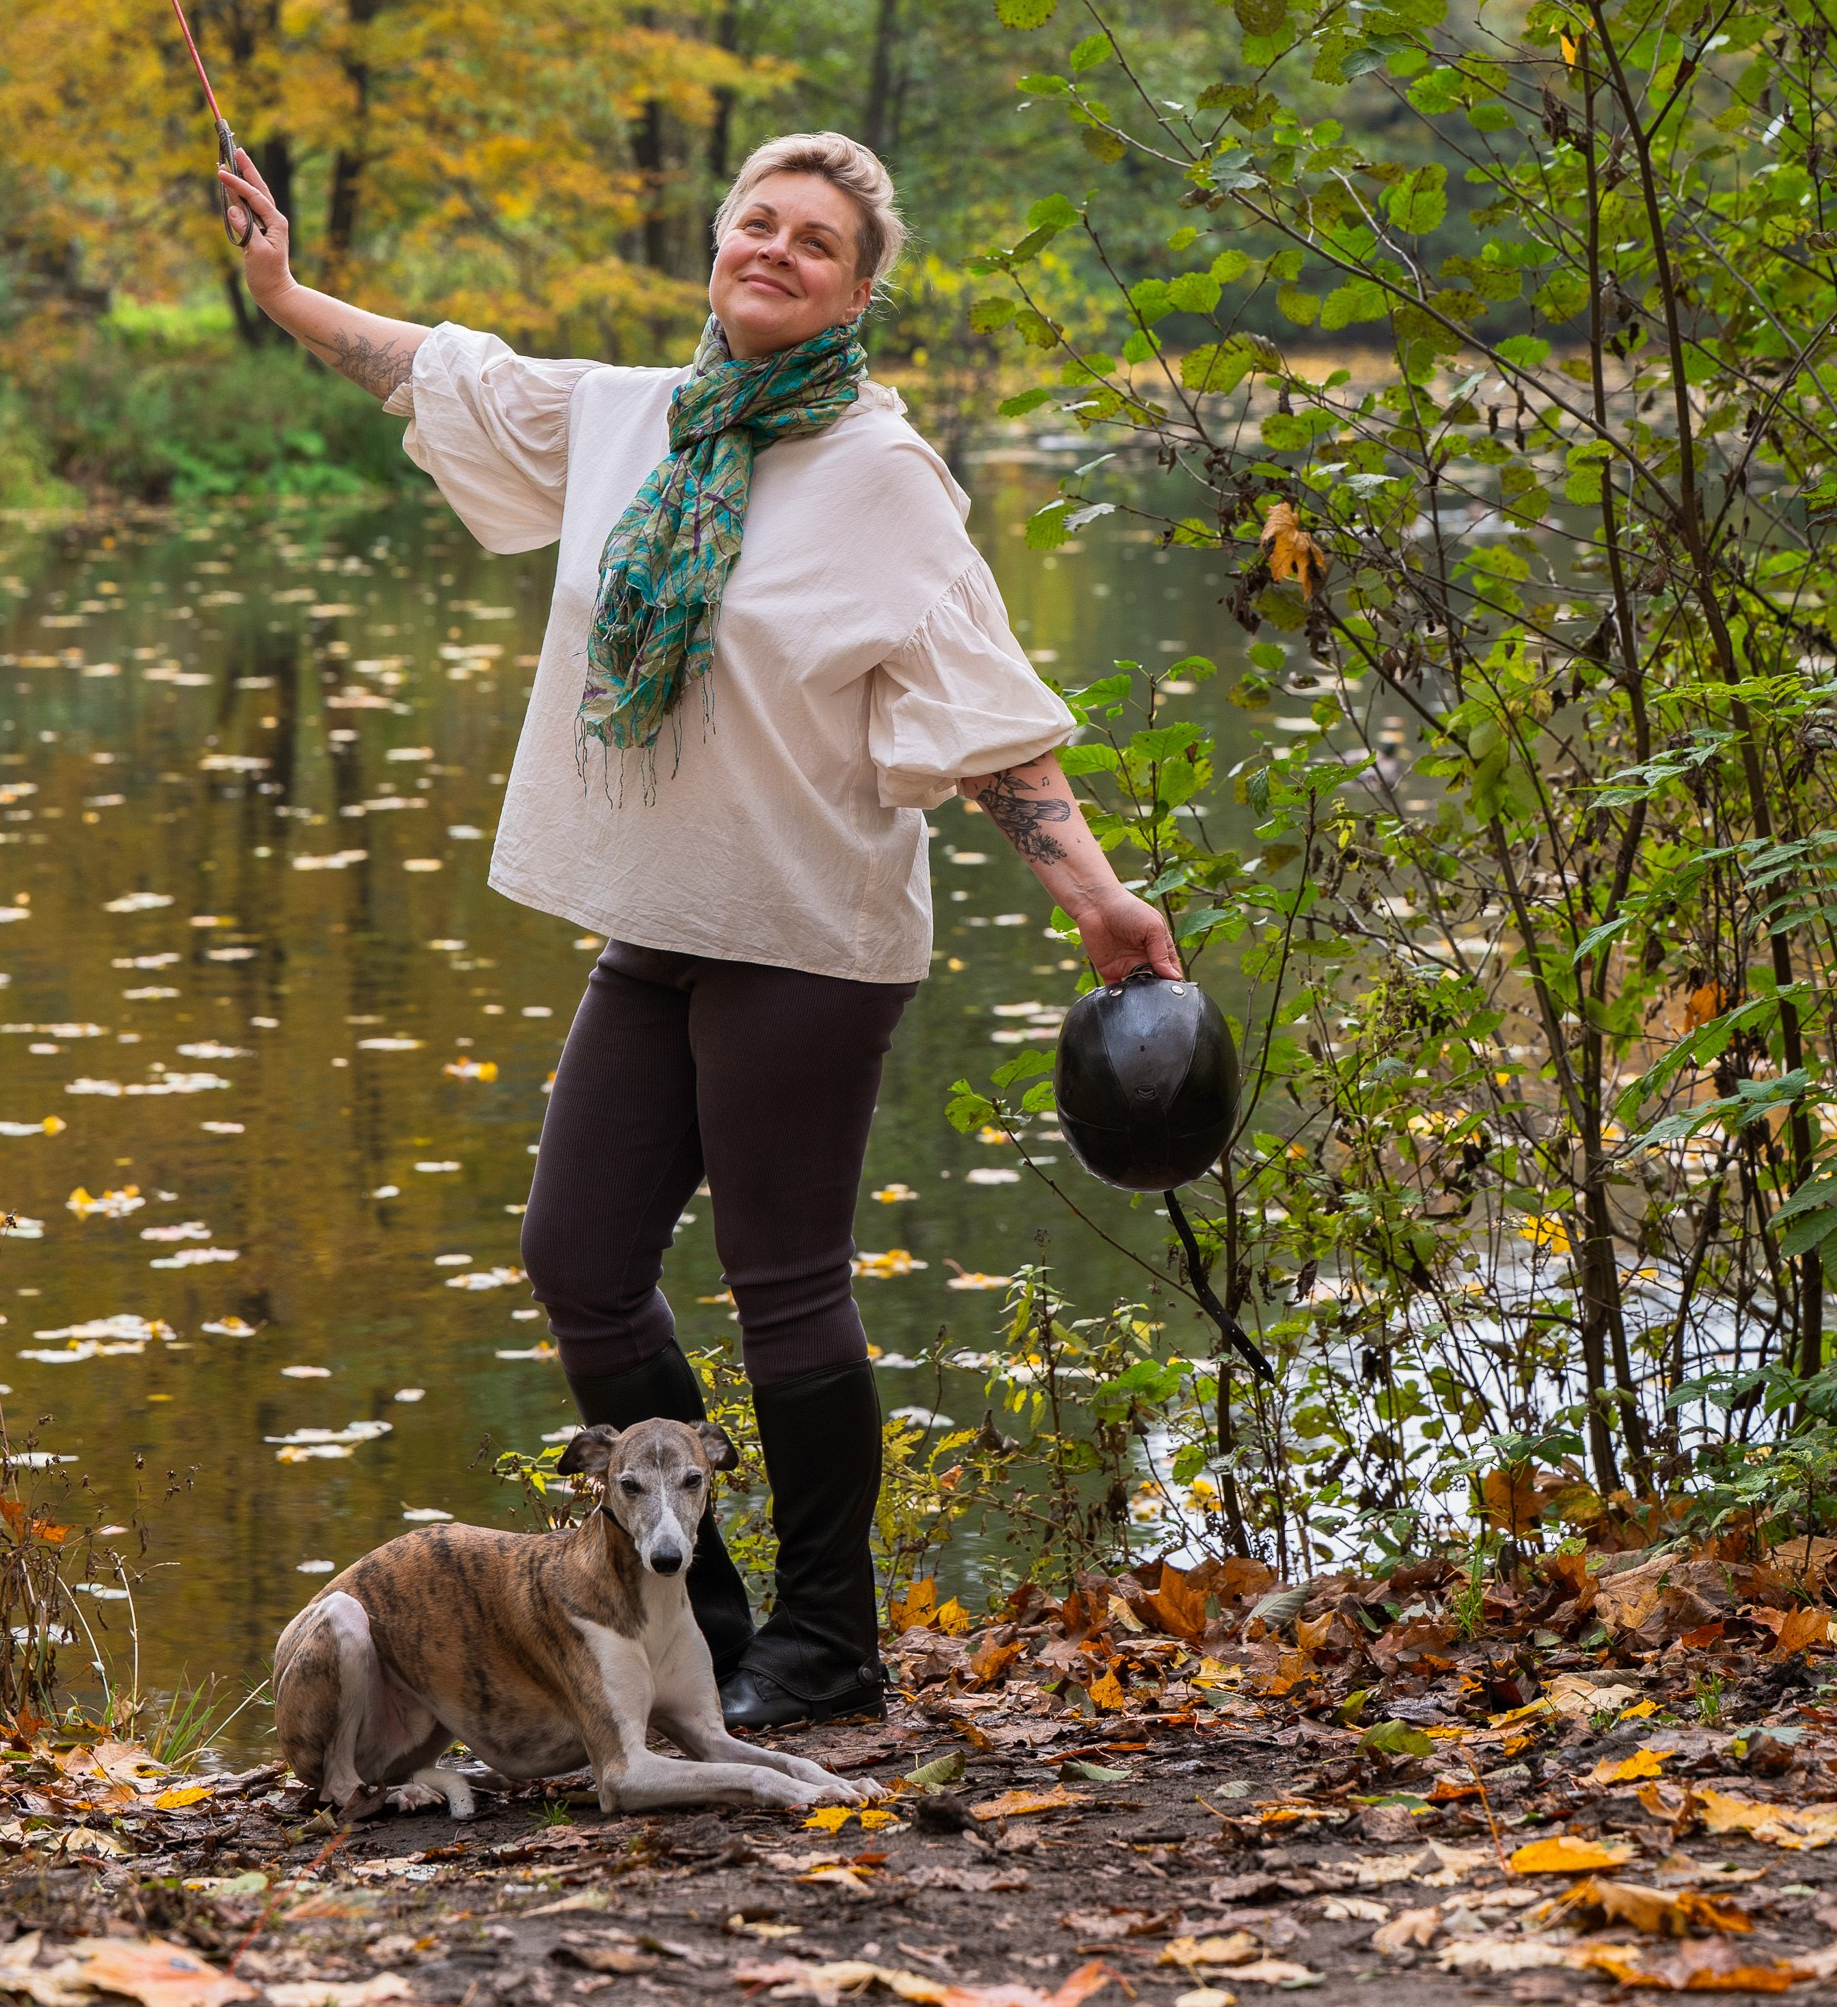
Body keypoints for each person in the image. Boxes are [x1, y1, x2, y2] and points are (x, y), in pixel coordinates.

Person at [216, 129, 1179, 1731]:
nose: (776, 249)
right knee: (581, 1258)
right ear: (716, 245)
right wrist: (288, 289)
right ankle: (698, 1619)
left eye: (816, 239)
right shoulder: (633, 423)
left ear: (859, 290)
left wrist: (1095, 893)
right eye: (757, 221)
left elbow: (987, 713)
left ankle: (828, 1637)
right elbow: (441, 374)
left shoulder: (883, 473)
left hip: (808, 930)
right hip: (661, 918)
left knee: (783, 1281)